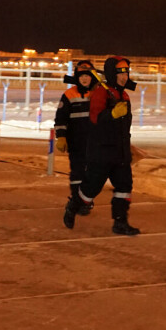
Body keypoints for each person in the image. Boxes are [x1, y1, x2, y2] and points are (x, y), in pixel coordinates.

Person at [63, 56, 139, 235]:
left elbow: (124, 127)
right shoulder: (101, 93)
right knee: (90, 189)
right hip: (101, 152)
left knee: (124, 186)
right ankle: (73, 206)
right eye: (120, 73)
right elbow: (95, 119)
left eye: (126, 73)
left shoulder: (124, 95)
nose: (124, 77)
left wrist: (128, 147)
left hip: (120, 153)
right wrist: (111, 114)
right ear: (112, 74)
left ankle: (120, 222)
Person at [55, 60, 99, 216]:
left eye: (87, 76)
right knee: (77, 173)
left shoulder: (99, 94)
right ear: (77, 77)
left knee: (92, 173)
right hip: (76, 143)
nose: (84, 79)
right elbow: (61, 118)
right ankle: (77, 201)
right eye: (81, 76)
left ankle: (86, 200)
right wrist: (61, 137)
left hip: (94, 142)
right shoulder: (69, 95)